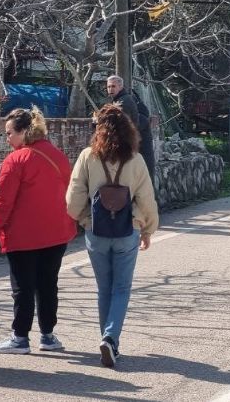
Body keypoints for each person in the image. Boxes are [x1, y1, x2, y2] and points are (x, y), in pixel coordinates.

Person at [66, 104, 159, 368]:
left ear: (98, 129)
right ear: (128, 129)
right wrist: (147, 228)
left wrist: (85, 219)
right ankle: (110, 338)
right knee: (121, 288)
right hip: (127, 231)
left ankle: (107, 339)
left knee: (104, 288)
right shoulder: (135, 159)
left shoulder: (87, 156)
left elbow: (74, 198)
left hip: (96, 231)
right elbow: (146, 198)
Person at [0, 107, 76, 355]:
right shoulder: (58, 155)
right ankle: (48, 335)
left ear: (24, 132)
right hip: (56, 232)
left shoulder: (15, 160)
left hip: (23, 235)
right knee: (48, 285)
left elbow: (2, 203)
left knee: (23, 287)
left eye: (9, 133)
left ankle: (20, 337)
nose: (7, 139)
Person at [106, 75, 156, 188]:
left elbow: (121, 127)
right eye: (108, 87)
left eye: (113, 86)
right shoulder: (122, 100)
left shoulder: (124, 102)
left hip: (136, 149)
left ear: (120, 86)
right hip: (137, 149)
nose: (110, 89)